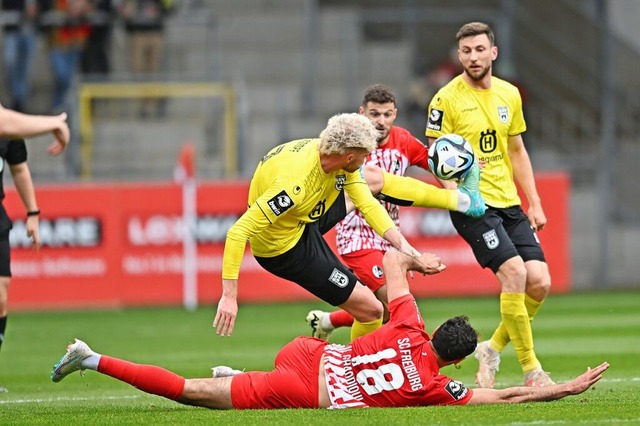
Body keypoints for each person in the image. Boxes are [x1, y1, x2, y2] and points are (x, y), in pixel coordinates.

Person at [50, 249, 610, 409]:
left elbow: (390, 263)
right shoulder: (438, 387)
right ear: (458, 361)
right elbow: (505, 393)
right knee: (194, 394)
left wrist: (413, 261)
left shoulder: (409, 323)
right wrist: (563, 387)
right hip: (306, 391)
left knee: (358, 318)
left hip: (308, 353)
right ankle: (91, 357)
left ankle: (238, 372)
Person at [214, 112, 445, 343]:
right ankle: (352, 374)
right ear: (349, 156)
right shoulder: (295, 185)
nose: (366, 162)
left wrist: (408, 249)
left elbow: (367, 204)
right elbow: (238, 232)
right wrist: (229, 296)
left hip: (305, 216)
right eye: (364, 156)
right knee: (372, 311)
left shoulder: (338, 162)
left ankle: (329, 323)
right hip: (285, 249)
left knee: (370, 183)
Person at [425, 22, 553, 388]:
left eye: (480, 49)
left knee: (540, 283)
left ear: (493, 52)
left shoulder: (510, 94)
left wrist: (535, 201)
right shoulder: (445, 99)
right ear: (459, 56)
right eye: (466, 51)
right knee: (515, 274)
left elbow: (516, 150)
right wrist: (457, 194)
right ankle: (532, 371)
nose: (473, 57)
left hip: (509, 202)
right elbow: (436, 157)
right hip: (473, 206)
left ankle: (491, 349)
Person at [306, 83, 481, 340]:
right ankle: (364, 364)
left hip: (389, 235)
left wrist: (458, 192)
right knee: (397, 300)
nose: (381, 121)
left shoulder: (404, 141)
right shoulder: (351, 144)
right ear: (362, 112)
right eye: (375, 114)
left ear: (395, 114)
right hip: (356, 236)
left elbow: (437, 166)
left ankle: (327, 321)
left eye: (387, 114)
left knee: (385, 309)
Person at [0, 104, 70, 393]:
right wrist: (53, 122)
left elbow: (18, 168)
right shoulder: (8, 123)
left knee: (1, 294)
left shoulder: (10, 128)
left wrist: (33, 212)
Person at [1, 0, 40, 112]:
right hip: (13, 27)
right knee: (10, 61)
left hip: (31, 27)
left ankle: (20, 101)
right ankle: (17, 97)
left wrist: (37, 7)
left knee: (26, 68)